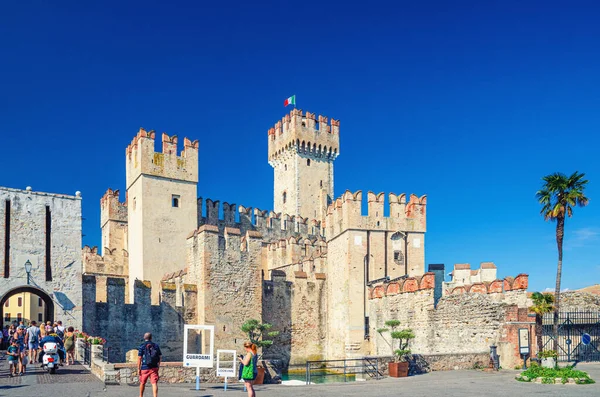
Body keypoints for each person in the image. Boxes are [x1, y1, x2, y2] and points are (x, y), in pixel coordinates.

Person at [138, 332, 162, 397]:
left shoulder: (142, 346)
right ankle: (155, 396)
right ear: (151, 338)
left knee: (142, 382)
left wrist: (138, 368)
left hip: (144, 367)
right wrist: (158, 366)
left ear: (144, 338)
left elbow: (139, 358)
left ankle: (140, 396)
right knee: (154, 383)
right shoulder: (156, 346)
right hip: (154, 367)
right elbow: (160, 357)